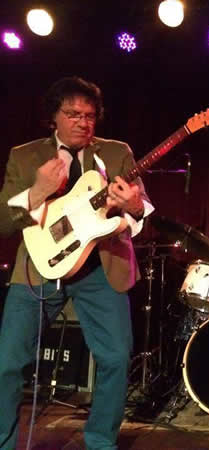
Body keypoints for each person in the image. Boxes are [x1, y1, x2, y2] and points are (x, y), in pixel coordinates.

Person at [0, 76, 154, 450]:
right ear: (53, 116)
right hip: (38, 267)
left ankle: (100, 441)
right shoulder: (25, 156)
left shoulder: (116, 153)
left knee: (115, 359)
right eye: (72, 114)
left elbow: (142, 212)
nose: (82, 122)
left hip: (102, 266)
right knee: (7, 362)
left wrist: (134, 206)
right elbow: (3, 222)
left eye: (89, 115)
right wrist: (37, 191)